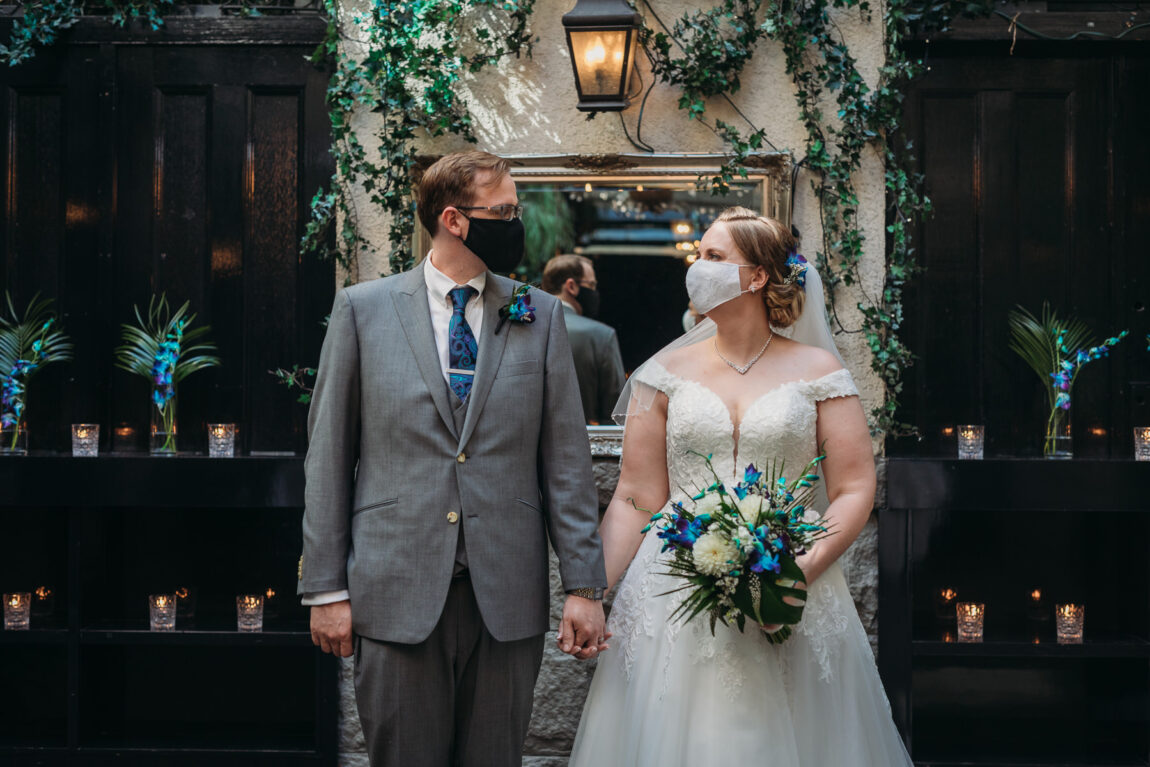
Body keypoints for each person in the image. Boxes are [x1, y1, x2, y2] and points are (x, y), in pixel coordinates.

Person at [569, 208, 912, 766]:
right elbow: (636, 496)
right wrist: (589, 593)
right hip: (672, 588)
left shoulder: (818, 371)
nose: (696, 267)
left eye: (713, 257)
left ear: (756, 277)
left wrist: (794, 573)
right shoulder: (663, 375)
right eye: (697, 255)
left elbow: (853, 488)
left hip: (792, 576)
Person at [299, 151, 608, 767]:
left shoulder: (539, 315)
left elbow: (566, 462)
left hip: (505, 597)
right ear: (455, 219)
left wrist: (584, 585)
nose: (516, 223)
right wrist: (325, 588)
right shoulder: (363, 310)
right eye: (505, 211)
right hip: (395, 590)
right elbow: (329, 456)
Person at [542, 254, 625, 424]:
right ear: (571, 286)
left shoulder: (520, 328)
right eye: (592, 285)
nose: (594, 292)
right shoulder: (601, 335)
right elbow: (617, 409)